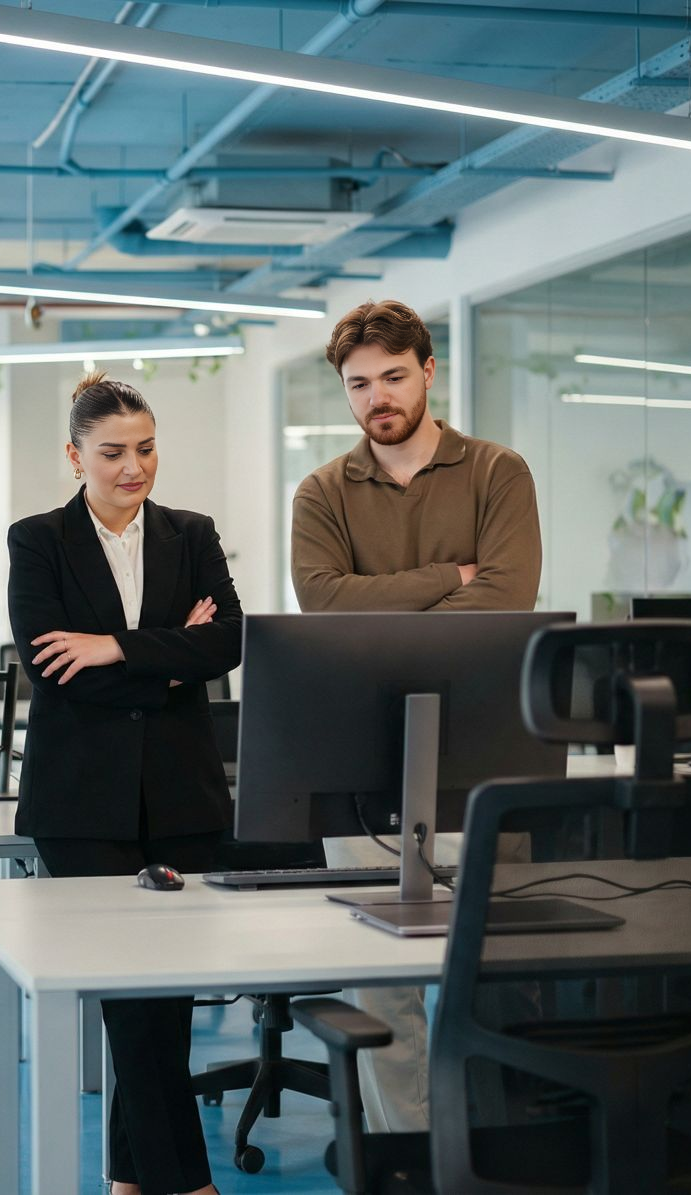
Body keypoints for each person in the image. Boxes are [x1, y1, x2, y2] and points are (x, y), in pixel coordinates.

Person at [289, 298, 542, 1135]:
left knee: (485, 966)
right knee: (382, 982)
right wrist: (448, 578)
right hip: (362, 765)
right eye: (358, 384)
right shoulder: (322, 491)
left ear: (427, 371)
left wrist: (386, 622)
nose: (376, 398)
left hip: (482, 754)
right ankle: (406, 1156)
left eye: (393, 377)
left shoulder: (498, 472)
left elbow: (507, 601)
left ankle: (491, 1151)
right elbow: (324, 605)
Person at [7, 372, 241, 1195]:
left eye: (145, 448)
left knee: (164, 1002)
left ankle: (127, 1179)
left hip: (181, 796)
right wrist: (170, 651)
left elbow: (230, 644)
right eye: (112, 452)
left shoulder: (192, 533)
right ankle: (189, 1183)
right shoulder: (37, 540)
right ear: (75, 455)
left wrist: (113, 647)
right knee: (130, 1001)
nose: (134, 467)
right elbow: (50, 663)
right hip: (81, 802)